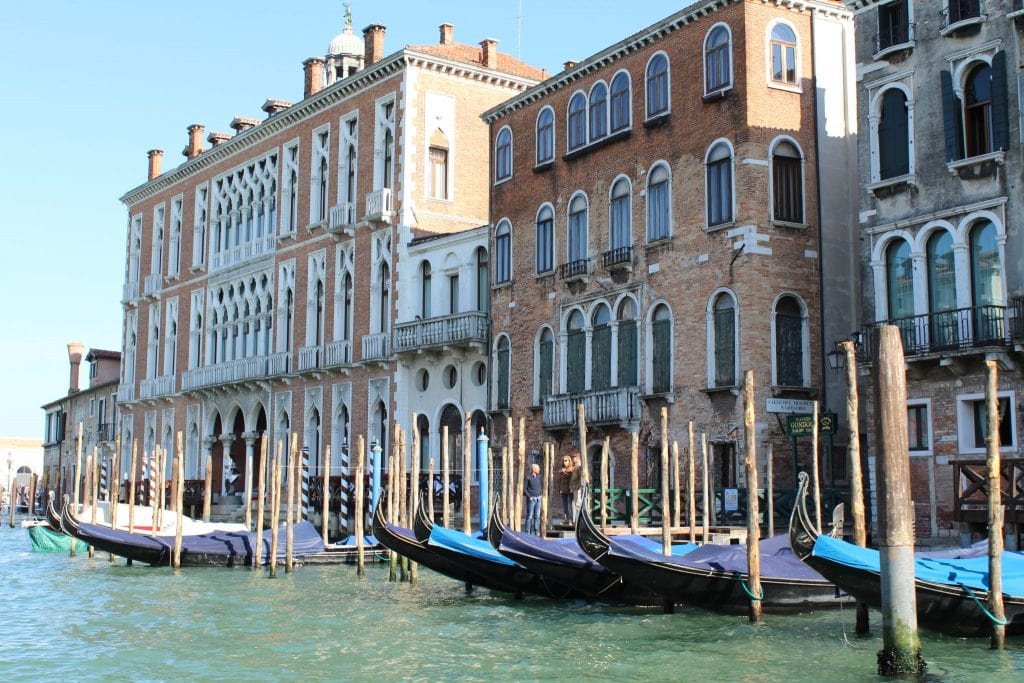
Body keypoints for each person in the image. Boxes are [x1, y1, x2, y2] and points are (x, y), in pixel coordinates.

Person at [523, 463, 542, 534]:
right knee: (529, 516)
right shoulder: (528, 477)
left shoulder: (539, 476)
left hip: (538, 498)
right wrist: (529, 497)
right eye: (538, 468)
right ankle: (527, 532)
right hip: (532, 499)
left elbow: (540, 486)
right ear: (534, 469)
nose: (539, 469)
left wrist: (541, 494)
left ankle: (537, 532)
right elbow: (524, 489)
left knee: (537, 516)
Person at [557, 456, 574, 524]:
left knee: (571, 505)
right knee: (565, 506)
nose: (564, 462)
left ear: (569, 461)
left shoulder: (572, 469)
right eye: (564, 460)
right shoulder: (561, 470)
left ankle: (571, 519)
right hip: (563, 490)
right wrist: (559, 489)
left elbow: (571, 478)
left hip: (570, 490)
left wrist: (565, 472)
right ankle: (566, 519)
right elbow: (559, 480)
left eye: (566, 460)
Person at [569, 453, 584, 521]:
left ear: (578, 458)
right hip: (574, 488)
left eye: (574, 457)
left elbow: (581, 478)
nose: (573, 459)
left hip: (578, 488)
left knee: (578, 504)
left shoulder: (579, 467)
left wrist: (578, 487)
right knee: (575, 504)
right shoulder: (575, 467)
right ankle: (575, 519)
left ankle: (579, 520)